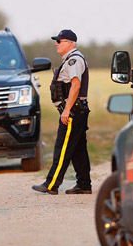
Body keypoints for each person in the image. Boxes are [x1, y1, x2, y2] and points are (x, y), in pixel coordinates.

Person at [32, 29, 91, 195]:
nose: (56, 44)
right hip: (76, 110)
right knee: (78, 149)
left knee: (62, 148)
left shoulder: (74, 60)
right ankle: (84, 184)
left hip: (72, 112)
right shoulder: (71, 59)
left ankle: (51, 184)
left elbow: (76, 85)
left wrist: (66, 110)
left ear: (71, 43)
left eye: (60, 41)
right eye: (56, 41)